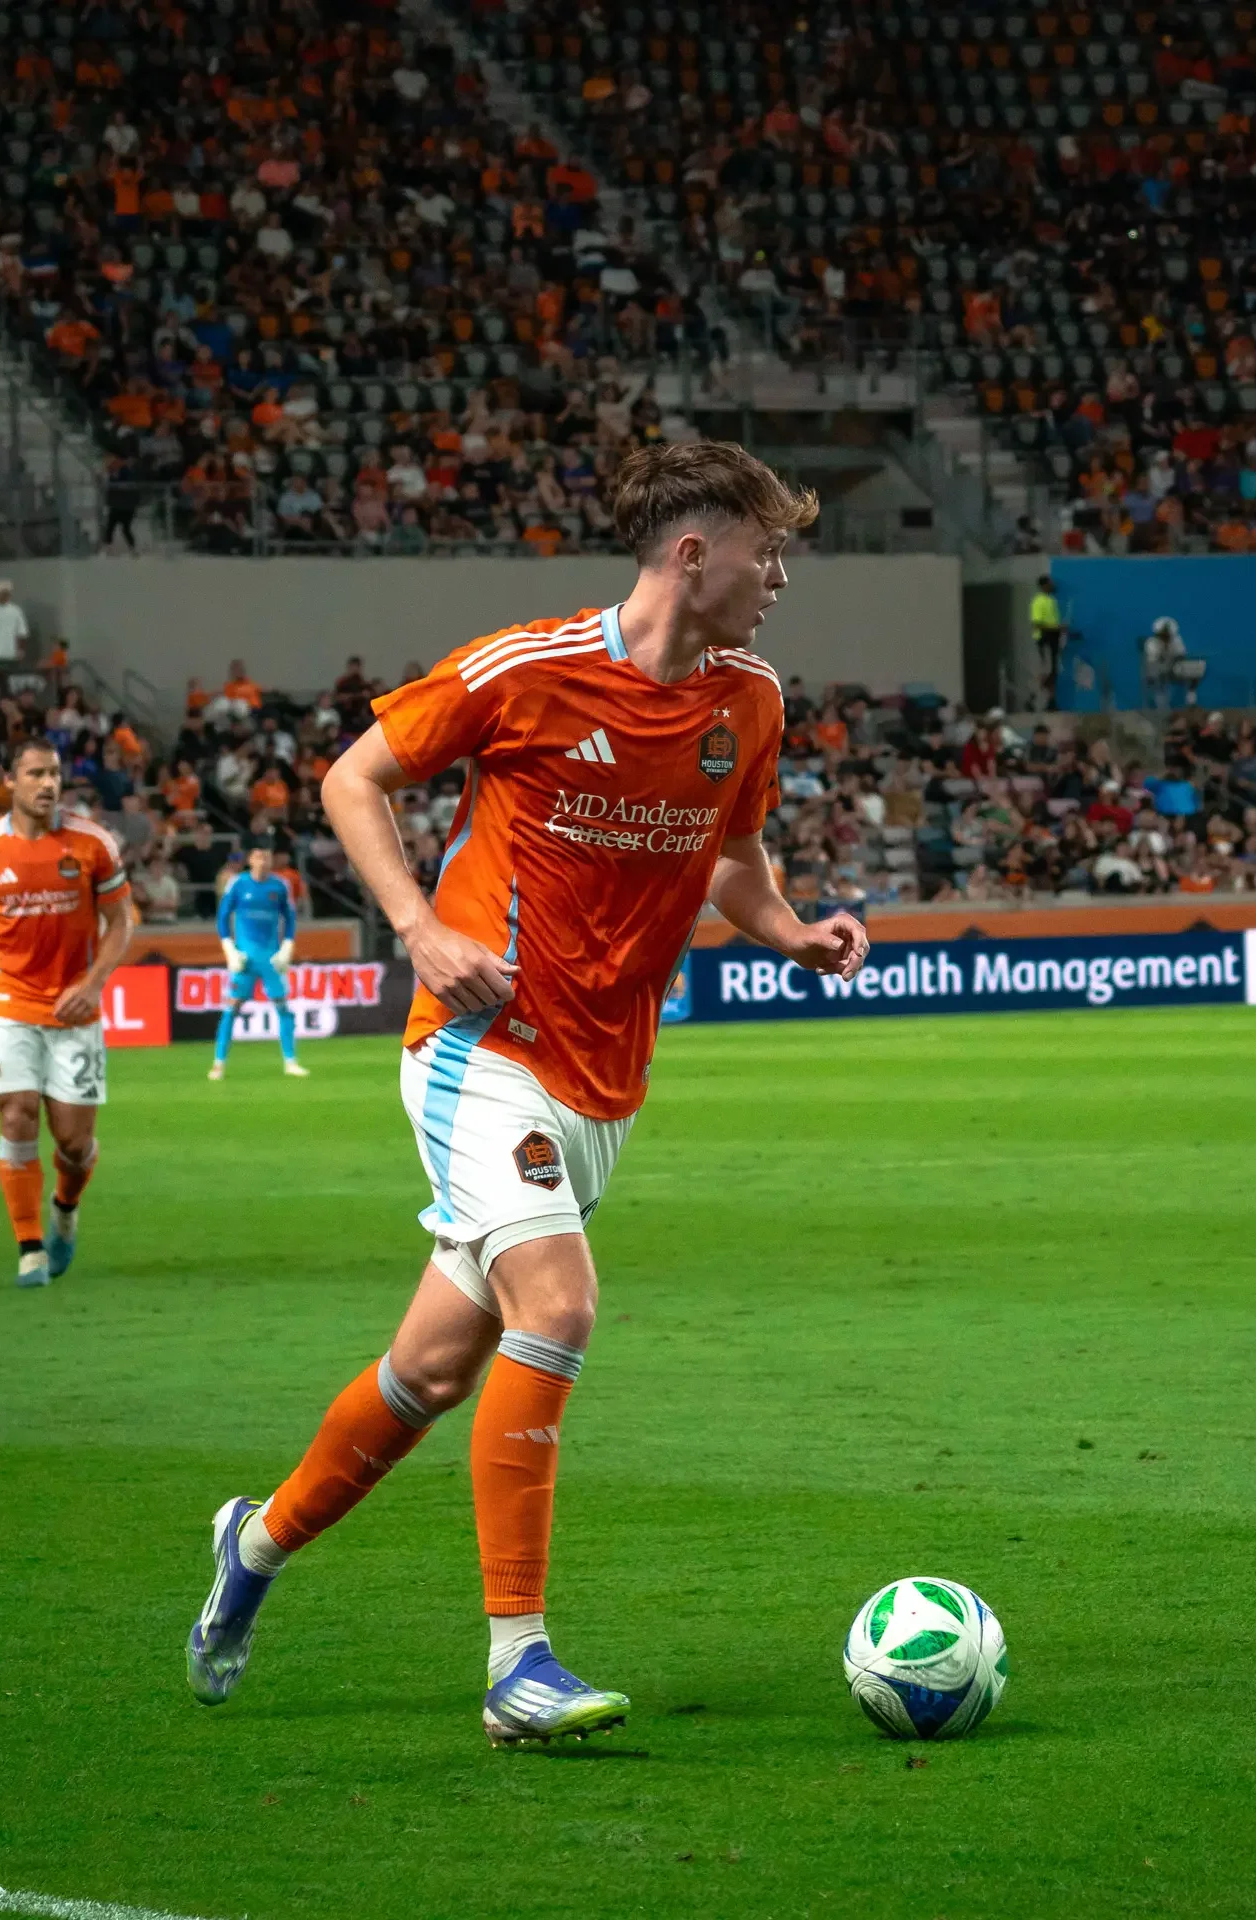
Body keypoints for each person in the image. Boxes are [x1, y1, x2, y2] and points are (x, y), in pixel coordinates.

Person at [184, 439, 869, 1742]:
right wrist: (416, 928)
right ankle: (517, 1662)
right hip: (475, 1048)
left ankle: (254, 1546)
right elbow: (353, 778)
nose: (779, 576)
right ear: (692, 553)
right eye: (766, 550)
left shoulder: (751, 703)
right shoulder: (528, 669)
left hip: (602, 1083)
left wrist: (791, 933)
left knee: (433, 1370)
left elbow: (734, 857)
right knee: (557, 1301)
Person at [0, 740, 134, 1287]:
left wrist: (94, 984)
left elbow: (121, 922)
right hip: (8, 1005)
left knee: (73, 1143)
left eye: (54, 773)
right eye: (36, 774)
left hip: (74, 1009)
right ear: (11, 781)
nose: (48, 784)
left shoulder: (92, 843)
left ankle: (64, 1212)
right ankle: (29, 1247)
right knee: (16, 1111)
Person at [210, 840, 308, 1080]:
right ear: (250, 859)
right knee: (231, 1008)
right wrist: (230, 950)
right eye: (259, 857)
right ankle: (218, 1063)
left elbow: (290, 919)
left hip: (271, 957)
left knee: (283, 1007)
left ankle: (291, 1062)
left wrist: (287, 948)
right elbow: (223, 917)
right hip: (244, 957)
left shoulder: (280, 886)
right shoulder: (238, 884)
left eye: (267, 857)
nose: (263, 862)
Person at [1029, 575, 1063, 701]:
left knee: (1054, 671)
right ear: (1044, 586)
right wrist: (1057, 628)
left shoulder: (1051, 600)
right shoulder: (1038, 601)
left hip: (1053, 638)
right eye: (1050, 583)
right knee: (1046, 670)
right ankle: (1034, 697)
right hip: (1044, 640)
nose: (1052, 586)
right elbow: (1036, 624)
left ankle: (1051, 700)